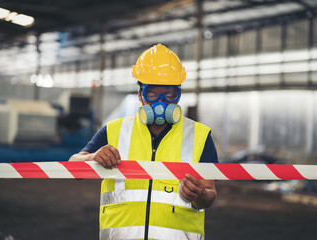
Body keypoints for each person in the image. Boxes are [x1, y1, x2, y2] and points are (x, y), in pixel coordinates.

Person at [69, 44, 218, 240]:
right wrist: (93, 157)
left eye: (170, 94)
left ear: (178, 94)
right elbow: (73, 167)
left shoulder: (199, 136)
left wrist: (199, 195)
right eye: (152, 94)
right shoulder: (114, 130)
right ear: (140, 94)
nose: (161, 102)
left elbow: (210, 194)